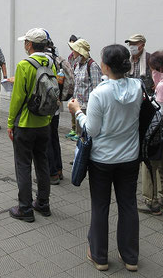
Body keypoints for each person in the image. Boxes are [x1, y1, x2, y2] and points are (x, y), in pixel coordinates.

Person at [68, 44, 143, 272]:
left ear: (106, 66)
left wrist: (77, 111)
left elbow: (91, 130)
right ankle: (130, 257)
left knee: (100, 206)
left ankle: (100, 256)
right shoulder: (138, 87)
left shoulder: (99, 93)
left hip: (102, 159)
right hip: (130, 157)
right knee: (128, 204)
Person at [7, 28, 55, 222]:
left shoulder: (24, 65)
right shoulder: (51, 63)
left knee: (23, 165)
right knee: (42, 162)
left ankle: (25, 208)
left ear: (29, 44)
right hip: (44, 122)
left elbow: (17, 98)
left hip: (25, 124)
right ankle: (43, 203)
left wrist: (10, 123)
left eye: (25, 42)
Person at [138, 51, 163, 215]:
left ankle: (151, 201)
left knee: (149, 166)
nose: (151, 73)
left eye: (152, 70)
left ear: (159, 68)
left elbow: (158, 115)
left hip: (158, 134)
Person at [44, 38, 73, 184]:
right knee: (54, 137)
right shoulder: (58, 59)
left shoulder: (44, 60)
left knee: (47, 140)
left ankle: (52, 174)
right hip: (57, 105)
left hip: (46, 107)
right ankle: (59, 170)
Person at [69, 38, 102, 140]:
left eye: (74, 50)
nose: (72, 52)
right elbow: (76, 86)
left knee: (87, 137)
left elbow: (97, 89)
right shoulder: (77, 66)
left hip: (88, 108)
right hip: (78, 107)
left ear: (80, 52)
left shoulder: (92, 65)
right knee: (80, 136)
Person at [66, 34, 79, 139]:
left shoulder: (80, 57)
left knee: (79, 109)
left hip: (80, 89)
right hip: (73, 85)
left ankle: (78, 131)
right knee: (72, 108)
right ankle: (73, 128)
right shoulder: (70, 56)